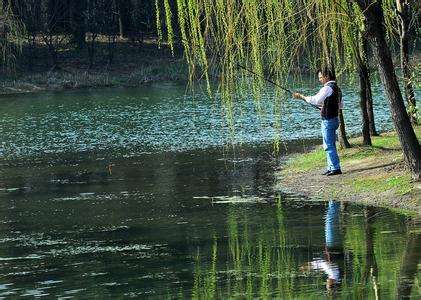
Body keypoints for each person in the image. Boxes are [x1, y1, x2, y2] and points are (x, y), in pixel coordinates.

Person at [293, 68, 342, 176]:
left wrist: (302, 97)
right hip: (334, 119)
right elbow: (340, 105)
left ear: (327, 76)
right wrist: (324, 107)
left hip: (328, 121)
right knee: (330, 144)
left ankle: (335, 168)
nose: (319, 80)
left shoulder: (327, 88)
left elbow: (315, 100)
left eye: (320, 77)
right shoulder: (337, 88)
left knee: (328, 145)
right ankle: (331, 167)